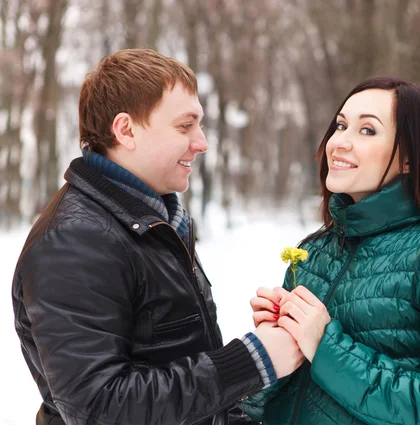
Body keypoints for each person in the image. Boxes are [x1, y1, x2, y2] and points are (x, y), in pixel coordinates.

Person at [11, 49, 304, 425]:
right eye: (185, 126)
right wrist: (248, 363)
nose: (202, 143)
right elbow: (99, 408)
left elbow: (173, 361)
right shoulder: (74, 242)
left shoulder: (154, 221)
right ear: (126, 130)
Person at [245, 77, 420, 425]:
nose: (340, 142)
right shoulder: (313, 252)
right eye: (341, 125)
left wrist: (326, 347)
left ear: (410, 158)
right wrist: (271, 351)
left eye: (367, 130)